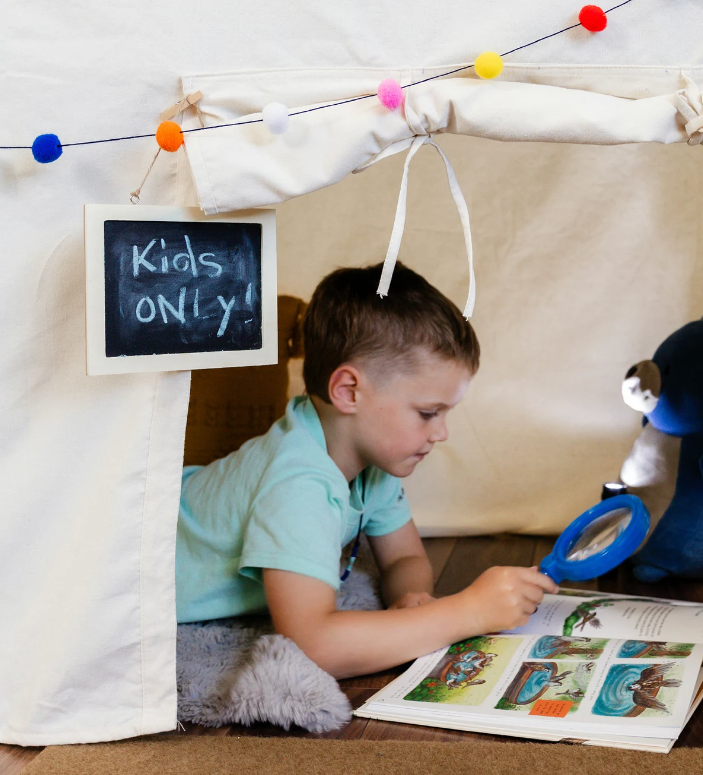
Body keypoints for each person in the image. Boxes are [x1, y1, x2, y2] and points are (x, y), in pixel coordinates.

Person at [175, 262, 558, 678]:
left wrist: (414, 599)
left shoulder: (372, 462)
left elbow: (405, 557)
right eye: (428, 412)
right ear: (348, 391)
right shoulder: (298, 484)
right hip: (138, 553)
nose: (442, 433)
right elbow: (313, 644)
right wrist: (466, 612)